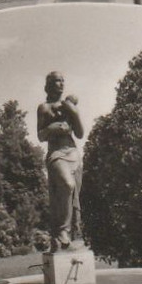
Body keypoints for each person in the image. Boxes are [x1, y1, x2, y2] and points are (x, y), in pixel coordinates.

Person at [36, 71, 85, 250]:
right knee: (67, 185)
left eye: (63, 81)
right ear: (48, 85)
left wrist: (74, 112)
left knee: (75, 197)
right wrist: (53, 128)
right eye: (57, 81)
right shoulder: (44, 108)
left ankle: (74, 233)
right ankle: (62, 231)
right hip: (56, 154)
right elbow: (40, 135)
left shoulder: (68, 106)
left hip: (73, 153)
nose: (61, 84)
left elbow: (80, 133)